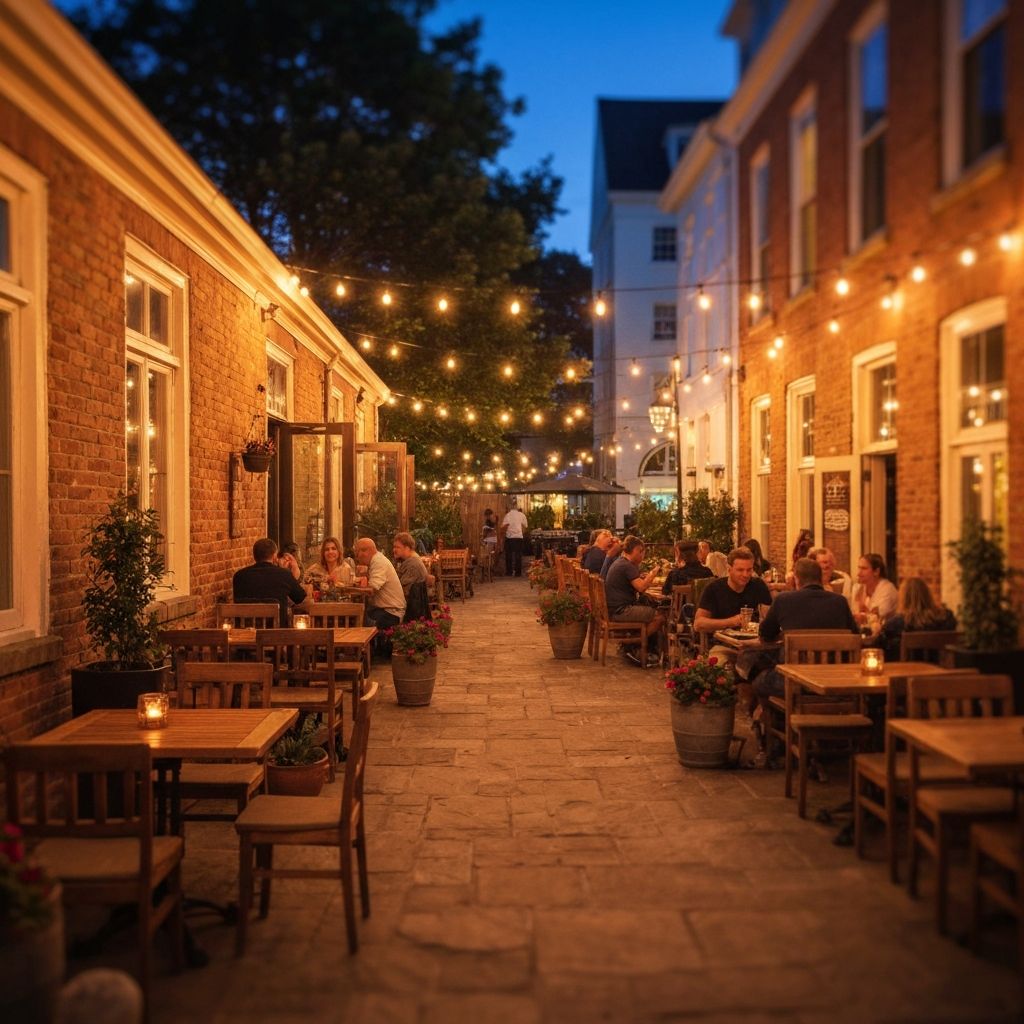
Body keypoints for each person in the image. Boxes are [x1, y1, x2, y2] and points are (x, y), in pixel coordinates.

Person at [751, 557, 860, 711]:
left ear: (796, 579)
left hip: (796, 682)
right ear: (820, 578)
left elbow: (765, 635)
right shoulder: (840, 601)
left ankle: (773, 724)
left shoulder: (783, 600)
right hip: (834, 681)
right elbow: (855, 636)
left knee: (759, 681)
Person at [694, 547, 773, 653]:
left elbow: (769, 618)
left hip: (754, 645)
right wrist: (731, 621)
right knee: (720, 661)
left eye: (749, 570)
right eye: (740, 570)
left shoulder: (758, 585)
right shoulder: (714, 589)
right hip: (722, 645)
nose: (745, 575)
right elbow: (698, 624)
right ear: (729, 569)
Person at [603, 535, 665, 667]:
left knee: (648, 605)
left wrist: (641, 576)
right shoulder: (627, 565)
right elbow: (642, 587)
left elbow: (633, 582)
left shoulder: (621, 562)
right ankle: (633, 644)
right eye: (642, 552)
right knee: (659, 617)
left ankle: (635, 645)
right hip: (620, 611)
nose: (643, 556)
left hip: (614, 608)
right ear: (637, 550)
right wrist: (653, 573)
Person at [877, 577, 957, 662]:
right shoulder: (946, 618)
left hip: (906, 672)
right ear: (927, 594)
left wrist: (878, 630)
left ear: (903, 598)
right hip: (941, 672)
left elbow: (877, 650)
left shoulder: (896, 624)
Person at [232, 537, 307, 626]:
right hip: (277, 633)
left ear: (254, 556)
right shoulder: (284, 575)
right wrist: (293, 577)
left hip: (246, 631)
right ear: (275, 556)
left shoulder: (239, 576)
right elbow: (300, 598)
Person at [353, 537, 406, 633]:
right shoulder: (376, 560)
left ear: (364, 552)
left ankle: (364, 644)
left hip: (391, 612)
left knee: (358, 619)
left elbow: (371, 590)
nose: (357, 557)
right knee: (362, 613)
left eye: (357, 553)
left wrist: (349, 589)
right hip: (387, 609)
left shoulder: (378, 562)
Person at [850, 552, 898, 632]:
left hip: (885, 636)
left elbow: (878, 618)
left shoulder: (887, 590)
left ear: (876, 571)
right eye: (859, 568)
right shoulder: (857, 588)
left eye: (864, 568)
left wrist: (864, 616)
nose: (858, 573)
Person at [392, 531, 431, 620]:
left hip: (409, 608)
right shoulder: (409, 560)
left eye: (397, 547)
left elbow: (401, 589)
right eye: (394, 547)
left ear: (407, 548)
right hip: (410, 604)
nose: (394, 550)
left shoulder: (412, 563)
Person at [500, 502, 529, 577]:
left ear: (510, 508)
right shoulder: (522, 515)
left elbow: (504, 526)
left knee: (509, 555)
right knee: (518, 555)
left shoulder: (508, 515)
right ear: (517, 508)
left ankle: (509, 572)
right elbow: (525, 526)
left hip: (510, 537)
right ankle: (518, 573)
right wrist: (521, 531)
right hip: (519, 537)